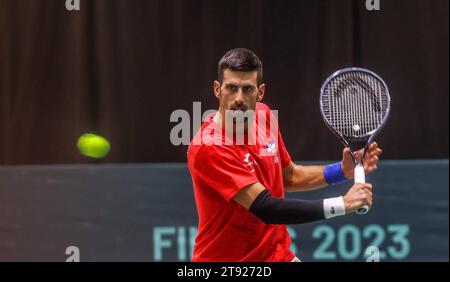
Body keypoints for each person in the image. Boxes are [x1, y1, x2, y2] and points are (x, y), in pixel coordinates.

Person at [187, 48, 382, 262]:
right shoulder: (209, 146)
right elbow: (265, 208)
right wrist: (343, 204)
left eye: (247, 89)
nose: (239, 98)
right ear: (217, 89)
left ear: (260, 92)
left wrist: (341, 171)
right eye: (231, 88)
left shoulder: (264, 115)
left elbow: (288, 176)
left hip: (277, 255)